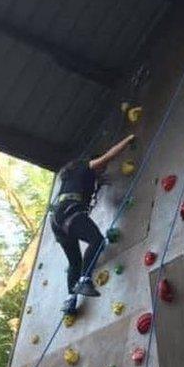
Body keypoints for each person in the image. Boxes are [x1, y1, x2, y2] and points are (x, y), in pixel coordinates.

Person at [52, 134, 135, 314]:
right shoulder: (86, 166)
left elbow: (88, 183)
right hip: (69, 213)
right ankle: (84, 280)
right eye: (102, 168)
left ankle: (69, 301)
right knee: (97, 240)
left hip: (58, 220)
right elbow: (109, 156)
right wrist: (127, 139)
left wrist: (98, 183)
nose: (103, 170)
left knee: (75, 262)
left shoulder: (72, 177)